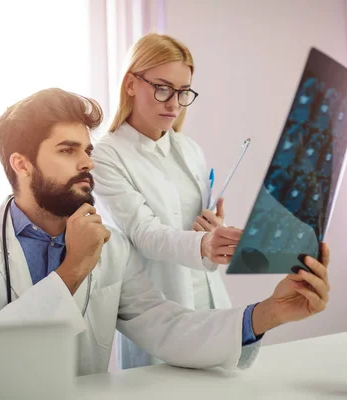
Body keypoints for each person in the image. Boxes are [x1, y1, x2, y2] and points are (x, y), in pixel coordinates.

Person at [0, 88, 331, 377]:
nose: (87, 163)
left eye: (88, 150)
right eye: (67, 150)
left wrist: (267, 314)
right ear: (21, 164)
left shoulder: (111, 248)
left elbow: (166, 326)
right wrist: (75, 268)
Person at [91, 33, 235, 369]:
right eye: (162, 88)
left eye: (183, 92)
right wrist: (203, 244)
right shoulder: (106, 155)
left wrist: (214, 230)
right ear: (130, 83)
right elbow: (145, 233)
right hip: (159, 310)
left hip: (211, 301)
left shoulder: (189, 149)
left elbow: (194, 225)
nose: (173, 103)